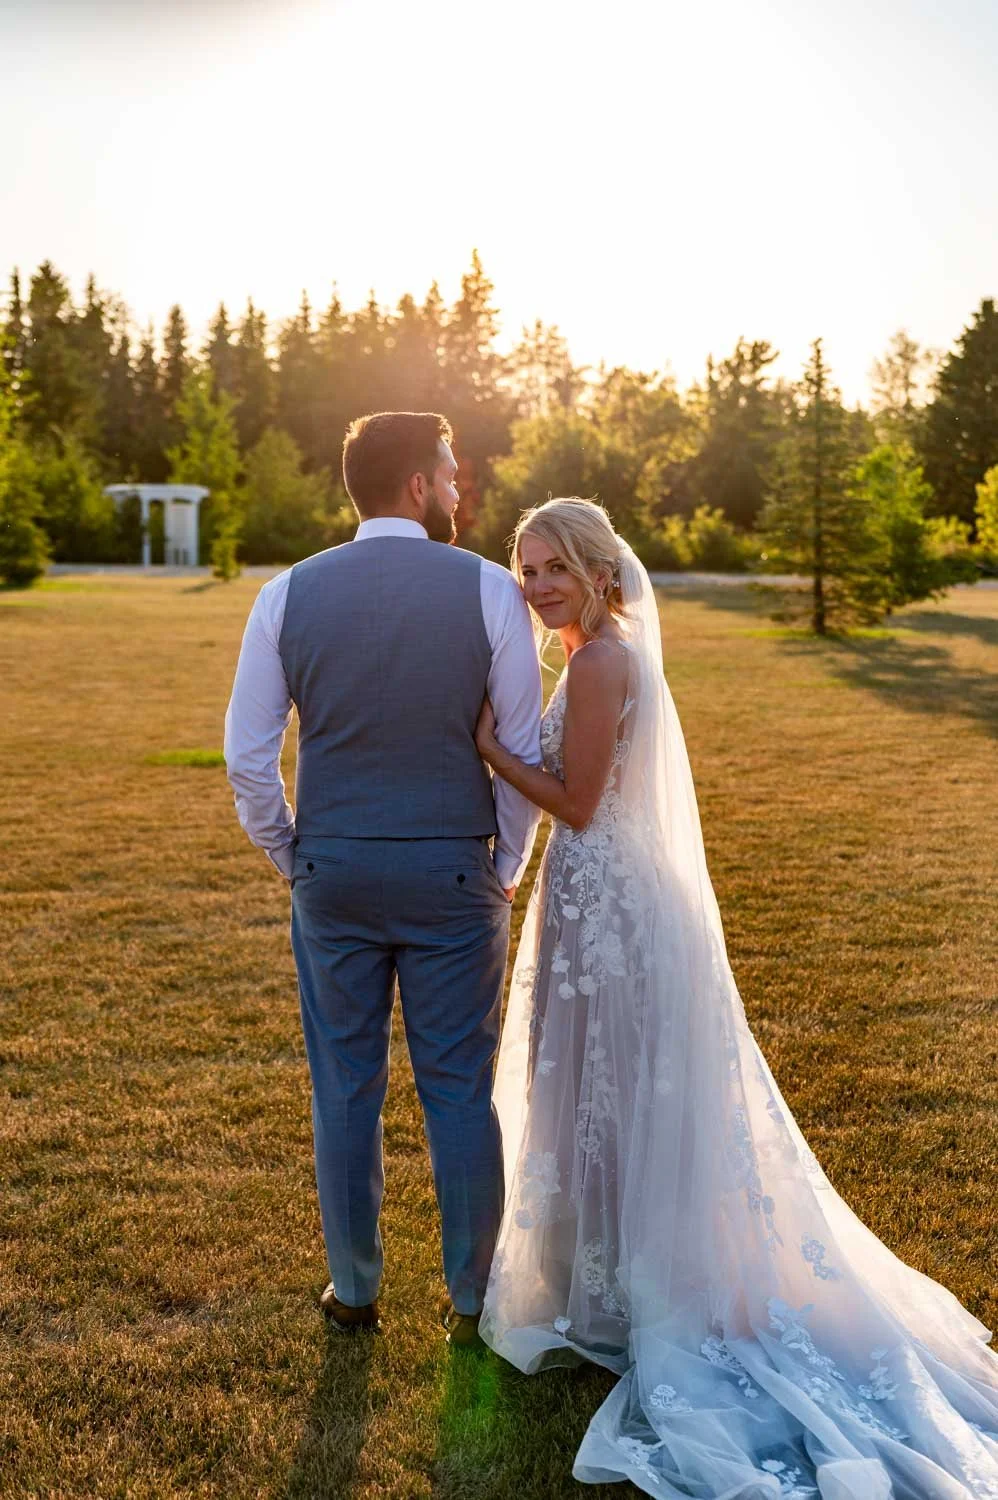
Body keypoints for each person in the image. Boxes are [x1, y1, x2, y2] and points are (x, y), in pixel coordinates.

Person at [474, 497, 998, 1499]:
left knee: (616, 1090)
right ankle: (614, 1281)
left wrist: (492, 752)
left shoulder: (595, 662)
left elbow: (577, 803)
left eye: (550, 567)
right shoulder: (601, 650)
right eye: (524, 567)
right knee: (608, 1093)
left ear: (596, 570)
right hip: (603, 902)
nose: (535, 584)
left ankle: (636, 1294)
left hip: (614, 912)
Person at [223, 411, 542, 1344]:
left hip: (334, 872)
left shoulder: (286, 594)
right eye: (448, 476)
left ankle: (355, 1291)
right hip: (453, 873)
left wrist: (292, 851)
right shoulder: (489, 590)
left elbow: (249, 756)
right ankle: (474, 1298)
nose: (456, 491)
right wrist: (504, 866)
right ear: (415, 485)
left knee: (345, 1086)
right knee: (457, 1090)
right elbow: (518, 749)